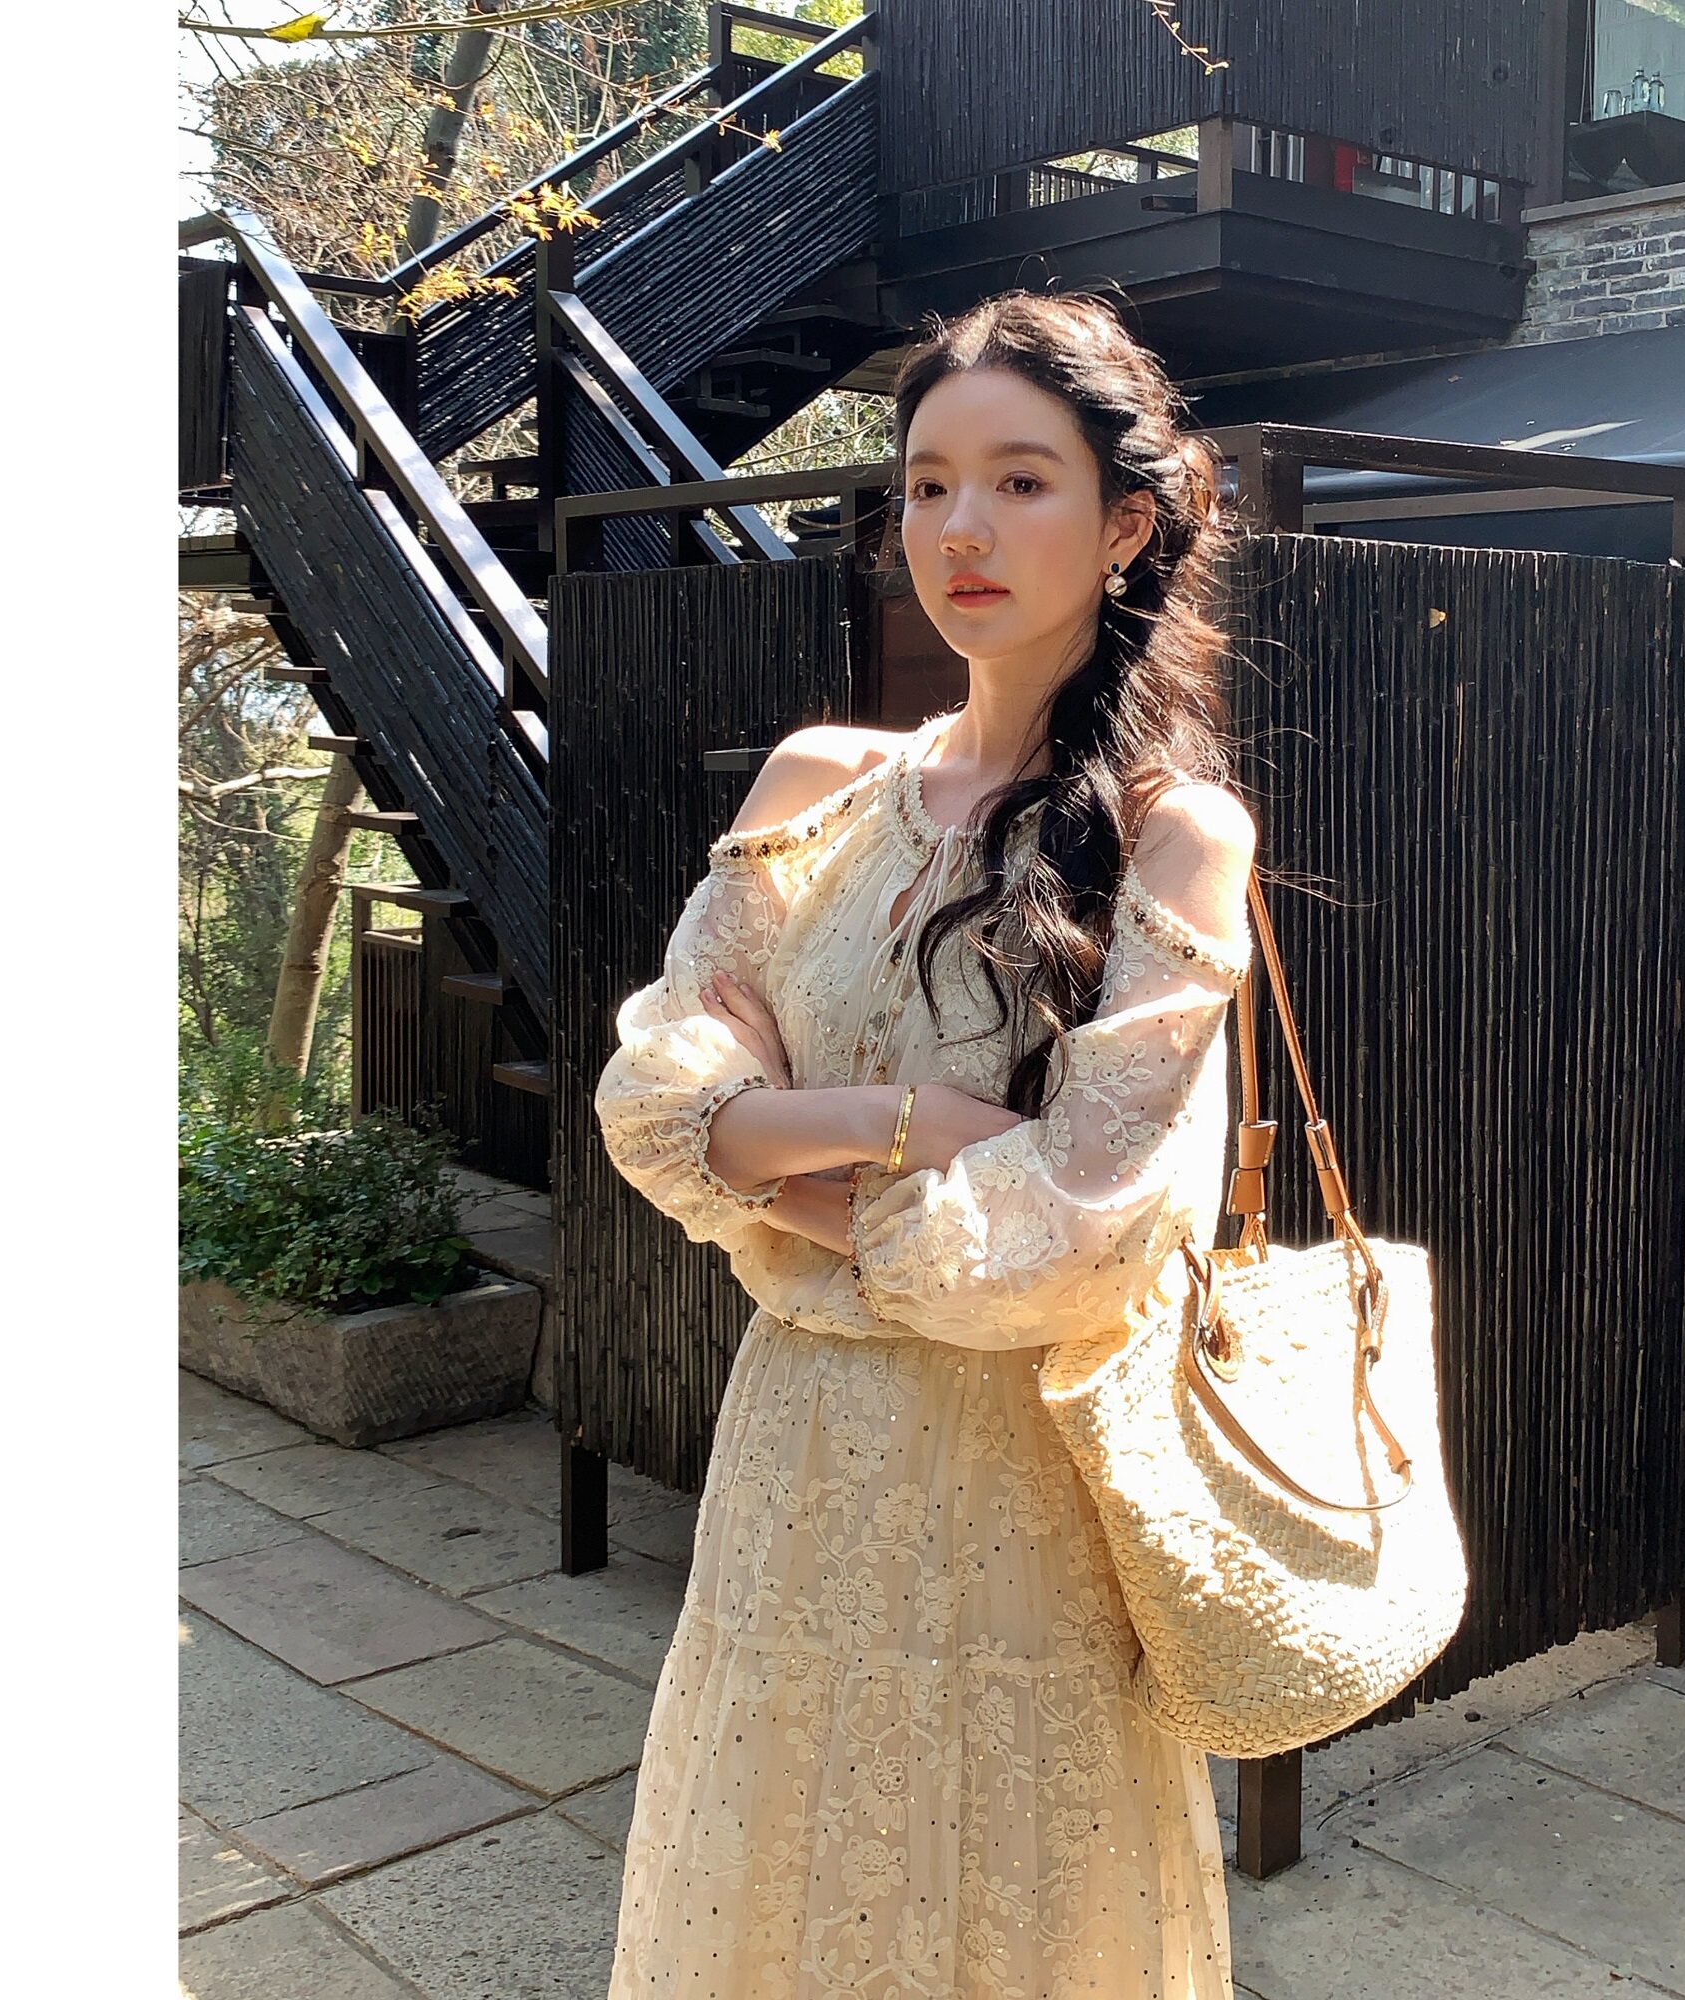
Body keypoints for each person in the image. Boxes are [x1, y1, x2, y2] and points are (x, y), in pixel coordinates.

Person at [594, 289, 1254, 1998]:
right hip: (794, 1462)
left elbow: (1090, 1233)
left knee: (1007, 1914)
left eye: (1021, 481)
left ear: (1125, 524)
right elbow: (649, 1098)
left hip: (1024, 1491)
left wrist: (767, 1172)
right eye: (929, 483)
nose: (962, 527)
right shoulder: (814, 786)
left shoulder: (1174, 837)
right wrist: (907, 1126)